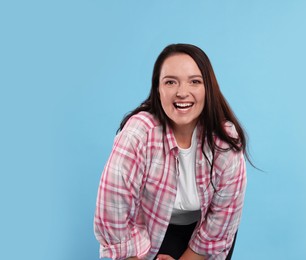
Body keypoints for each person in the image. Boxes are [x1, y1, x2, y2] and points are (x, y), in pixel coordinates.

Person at [94, 43, 248, 260]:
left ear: (208, 88)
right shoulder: (138, 133)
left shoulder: (225, 140)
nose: (182, 92)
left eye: (194, 81)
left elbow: (221, 220)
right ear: (158, 89)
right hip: (149, 232)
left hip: (205, 235)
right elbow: (112, 210)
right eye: (170, 82)